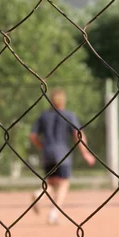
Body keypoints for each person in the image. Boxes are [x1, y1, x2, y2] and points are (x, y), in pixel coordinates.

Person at [29, 88, 96, 224]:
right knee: (63, 184)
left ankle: (38, 194)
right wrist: (86, 153)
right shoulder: (68, 115)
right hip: (62, 154)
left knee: (51, 182)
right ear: (63, 101)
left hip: (47, 154)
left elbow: (33, 136)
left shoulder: (43, 116)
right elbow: (78, 135)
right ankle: (54, 213)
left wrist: (42, 146)